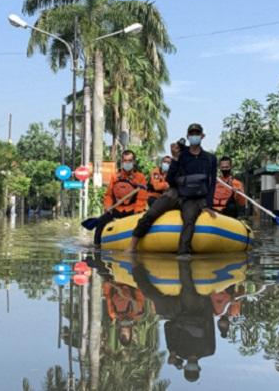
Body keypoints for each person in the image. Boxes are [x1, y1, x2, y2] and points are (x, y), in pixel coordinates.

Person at [130, 123, 218, 255]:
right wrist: (175, 158)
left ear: (202, 136)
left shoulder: (210, 159)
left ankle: (183, 254)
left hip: (193, 198)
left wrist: (208, 205)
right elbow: (170, 180)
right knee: (151, 213)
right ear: (188, 136)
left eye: (197, 134)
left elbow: (211, 184)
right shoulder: (181, 155)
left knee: (189, 220)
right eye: (192, 134)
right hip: (176, 192)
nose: (194, 136)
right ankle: (132, 246)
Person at [132, 258, 215, 383]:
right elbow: (207, 321)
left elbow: (168, 326)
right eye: (194, 369)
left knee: (151, 296)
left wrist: (172, 352)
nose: (191, 367)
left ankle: (135, 266)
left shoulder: (180, 352)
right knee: (187, 289)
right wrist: (204, 301)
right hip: (195, 309)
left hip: (177, 314)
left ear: (185, 368)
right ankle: (183, 260)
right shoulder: (208, 350)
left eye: (189, 369)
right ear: (199, 368)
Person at [94, 150, 148, 246]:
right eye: (125, 161)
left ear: (134, 162)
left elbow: (141, 198)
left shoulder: (140, 177)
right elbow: (109, 195)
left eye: (130, 160)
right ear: (122, 162)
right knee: (101, 221)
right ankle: (96, 246)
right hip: (117, 209)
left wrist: (138, 212)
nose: (127, 163)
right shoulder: (115, 177)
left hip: (133, 210)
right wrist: (108, 207)